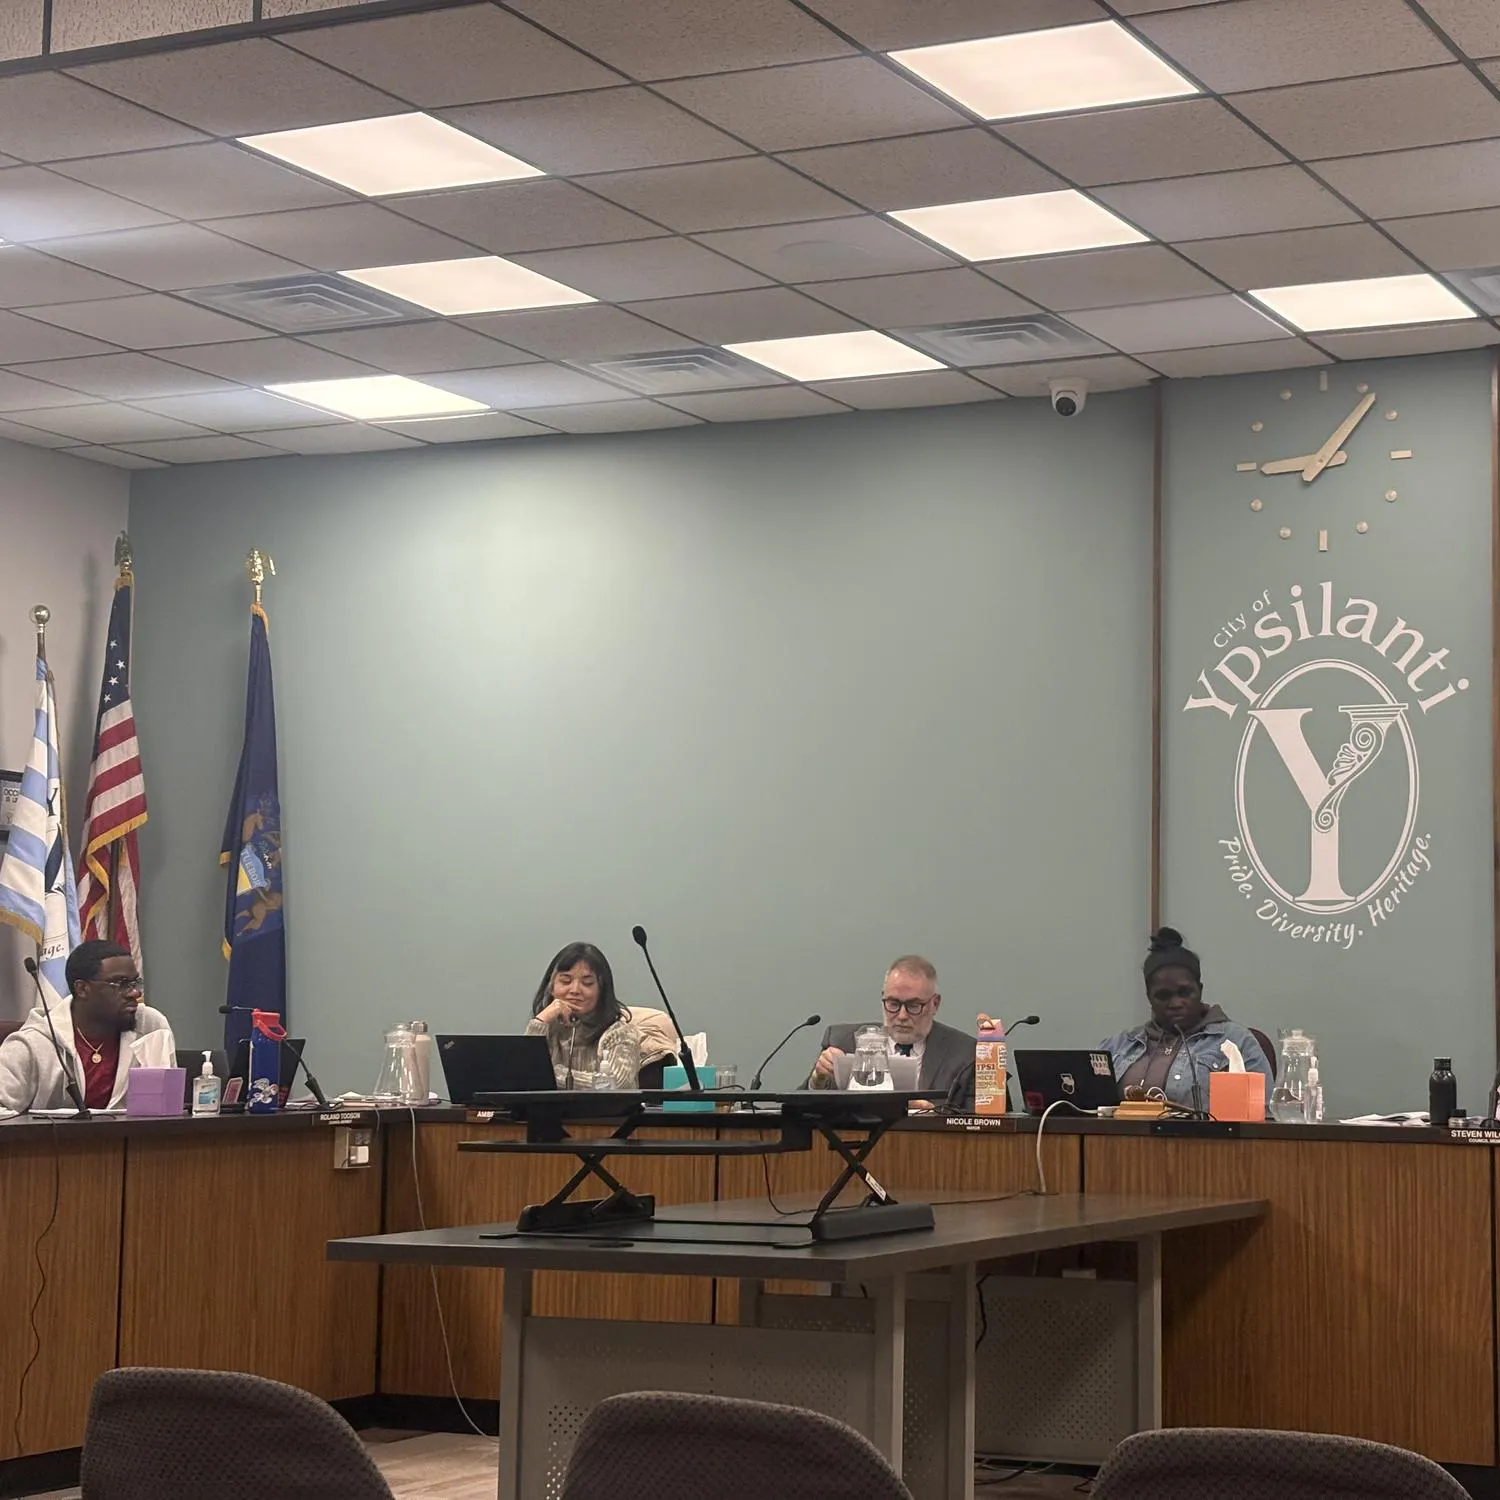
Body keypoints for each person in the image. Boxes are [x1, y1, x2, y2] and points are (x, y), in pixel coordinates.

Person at [1102, 927, 1271, 1111]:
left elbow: (1263, 1113)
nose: (1175, 1003)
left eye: (1185, 992)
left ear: (1200, 989)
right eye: (1163, 995)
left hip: (1208, 1139)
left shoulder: (1236, 1041)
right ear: (1149, 997)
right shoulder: (1118, 1046)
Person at [0, 940, 175, 1113]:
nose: (134, 993)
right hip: (53, 1141)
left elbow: (169, 1105)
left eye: (134, 983)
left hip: (135, 1140)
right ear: (82, 989)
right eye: (120, 984)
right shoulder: (32, 1044)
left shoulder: (151, 1027)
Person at [809, 955, 973, 1100]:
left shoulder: (965, 1054)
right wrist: (818, 1080)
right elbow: (799, 1113)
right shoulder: (842, 1041)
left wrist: (933, 1118)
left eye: (913, 1005)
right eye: (893, 1003)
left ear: (935, 1004)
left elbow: (977, 1123)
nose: (902, 1016)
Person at [525, 942, 657, 1091]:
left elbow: (617, 1084)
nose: (575, 990)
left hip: (605, 1114)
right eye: (565, 981)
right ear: (551, 987)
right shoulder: (547, 1029)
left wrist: (551, 1074)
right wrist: (540, 1021)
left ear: (601, 991)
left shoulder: (620, 1033)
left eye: (587, 983)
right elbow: (523, 1075)